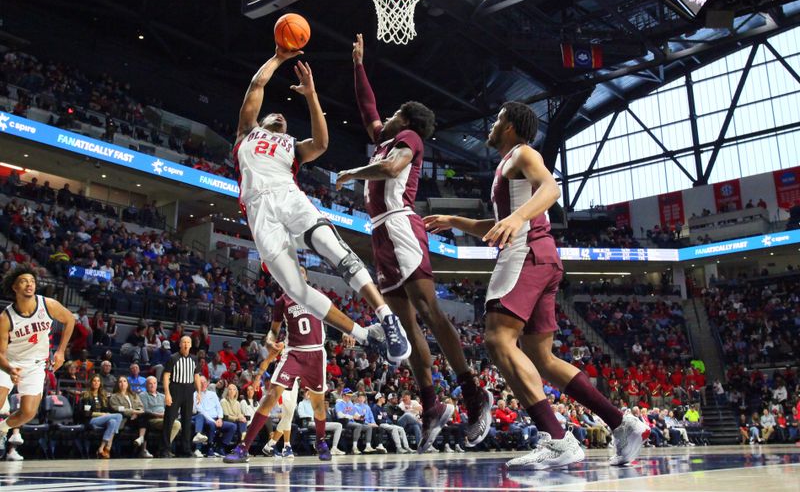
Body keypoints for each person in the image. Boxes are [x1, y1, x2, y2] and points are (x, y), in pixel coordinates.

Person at [424, 102, 649, 470]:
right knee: (541, 358)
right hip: (543, 256)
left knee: (498, 340)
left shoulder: (522, 153)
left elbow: (551, 188)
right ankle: (622, 423)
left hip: (524, 254)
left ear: (510, 126)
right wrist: (454, 220)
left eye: (497, 119)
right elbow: (496, 224)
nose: (492, 125)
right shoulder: (508, 169)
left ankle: (557, 439)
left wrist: (516, 218)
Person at [336, 33, 491, 453]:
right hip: (381, 234)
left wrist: (354, 172)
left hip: (403, 227)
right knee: (405, 326)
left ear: (406, 121)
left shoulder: (410, 142)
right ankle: (431, 404)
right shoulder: (387, 136)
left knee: (429, 310)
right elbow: (368, 108)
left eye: (394, 113)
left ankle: (473, 393)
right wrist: (358, 66)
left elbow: (390, 169)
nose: (384, 116)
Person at [231, 43, 409, 365]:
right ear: (263, 119)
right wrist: (278, 57)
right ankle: (365, 335)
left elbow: (323, 143)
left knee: (330, 245)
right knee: (297, 292)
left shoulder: (292, 146)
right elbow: (257, 85)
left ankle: (386, 319)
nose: (281, 117)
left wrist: (311, 95)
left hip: (288, 195)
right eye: (276, 115)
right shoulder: (247, 133)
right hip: (259, 214)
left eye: (284, 119)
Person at [225, 268, 354, 463]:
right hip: (293, 352)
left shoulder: (317, 296)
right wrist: (270, 343)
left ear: (306, 277)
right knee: (271, 395)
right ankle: (243, 448)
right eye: (294, 272)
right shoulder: (282, 301)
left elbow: (335, 317)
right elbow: (273, 331)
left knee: (318, 404)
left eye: (301, 271)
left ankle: (321, 442)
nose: (297, 274)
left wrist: (345, 331)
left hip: (316, 353)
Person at [0, 265, 76, 448]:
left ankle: (2, 430)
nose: (29, 284)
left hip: (35, 365)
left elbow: (70, 320)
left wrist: (60, 352)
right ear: (14, 287)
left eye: (32, 281)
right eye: (24, 281)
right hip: (8, 363)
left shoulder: (47, 305)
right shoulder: (5, 318)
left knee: (28, 413)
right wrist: (9, 369)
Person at [160, 335, 203, 458]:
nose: (185, 344)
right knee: (169, 419)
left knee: (187, 420)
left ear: (190, 345)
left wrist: (199, 392)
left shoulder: (194, 359)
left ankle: (185, 449)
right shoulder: (173, 358)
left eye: (188, 342)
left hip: (189, 389)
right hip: (175, 388)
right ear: (180, 344)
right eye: (183, 342)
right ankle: (165, 449)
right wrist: (167, 393)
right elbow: (166, 376)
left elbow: (196, 377)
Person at [78, 374, 124, 458]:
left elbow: (107, 409)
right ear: (91, 383)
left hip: (103, 419)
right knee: (118, 416)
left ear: (100, 383)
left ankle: (101, 448)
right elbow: (86, 413)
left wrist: (106, 414)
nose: (96, 383)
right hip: (91, 420)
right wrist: (102, 414)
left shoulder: (102, 396)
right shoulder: (86, 395)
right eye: (94, 381)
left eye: (98, 381)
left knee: (113, 422)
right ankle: (109, 446)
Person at [193, 376, 236, 457]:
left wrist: (220, 418)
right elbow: (201, 410)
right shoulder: (195, 394)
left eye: (204, 382)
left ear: (207, 383)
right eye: (200, 382)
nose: (203, 384)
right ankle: (210, 448)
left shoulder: (213, 394)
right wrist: (214, 421)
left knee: (232, 426)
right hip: (206, 419)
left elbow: (219, 407)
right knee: (211, 424)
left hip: (217, 419)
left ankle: (220, 448)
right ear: (197, 384)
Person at [110, 376, 151, 458]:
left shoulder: (134, 395)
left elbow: (140, 406)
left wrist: (136, 413)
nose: (122, 383)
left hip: (136, 418)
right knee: (145, 419)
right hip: (124, 419)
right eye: (120, 382)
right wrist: (133, 412)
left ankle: (141, 439)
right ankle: (143, 448)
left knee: (145, 416)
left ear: (127, 383)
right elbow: (118, 408)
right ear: (117, 384)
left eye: (124, 381)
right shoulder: (114, 396)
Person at [140, 375, 181, 456]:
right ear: (146, 385)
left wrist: (168, 415)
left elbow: (169, 409)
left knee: (176, 423)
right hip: (152, 419)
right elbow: (145, 410)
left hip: (164, 418)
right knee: (175, 424)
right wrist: (159, 415)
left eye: (154, 383)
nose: (152, 385)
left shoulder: (162, 396)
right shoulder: (143, 395)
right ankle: (164, 448)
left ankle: (163, 448)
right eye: (150, 383)